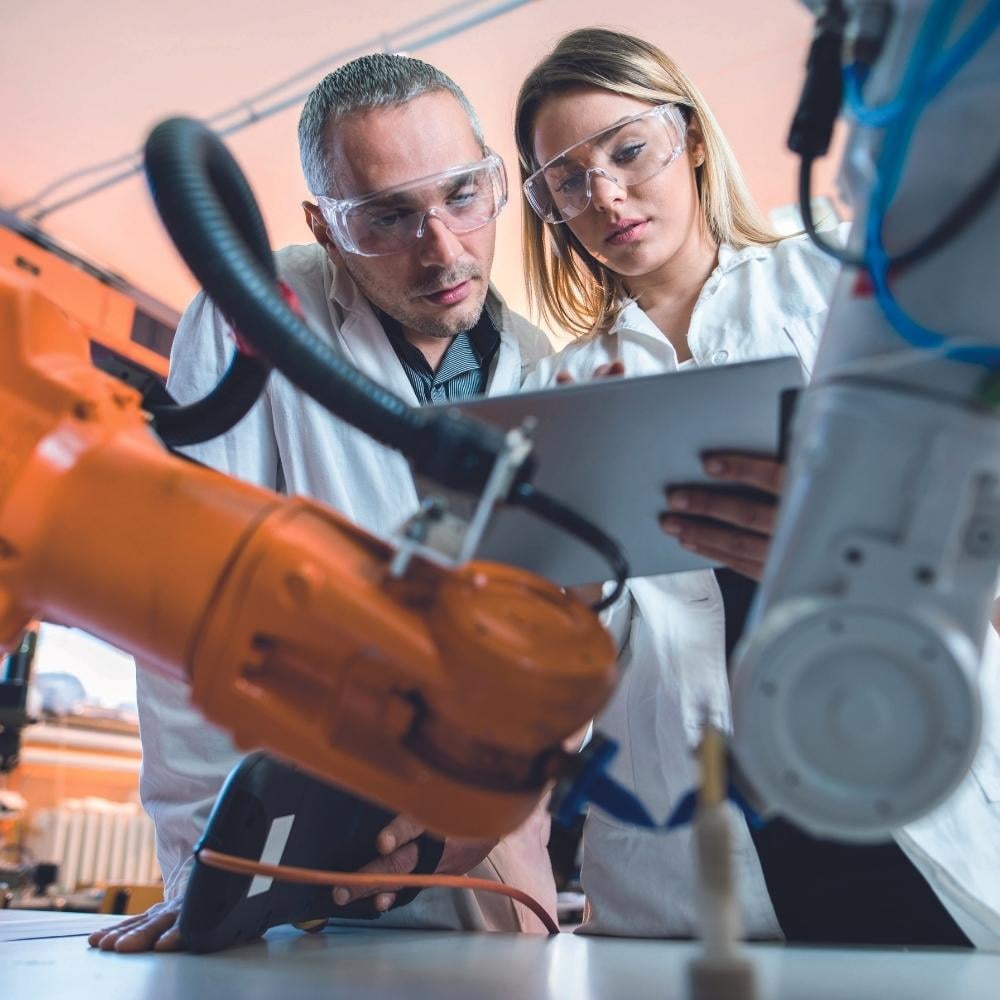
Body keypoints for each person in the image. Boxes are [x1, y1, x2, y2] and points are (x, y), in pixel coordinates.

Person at [515, 28, 1000, 947]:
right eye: (567, 182)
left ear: (691, 137)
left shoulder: (845, 282)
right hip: (685, 867)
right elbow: (562, 678)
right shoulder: (557, 393)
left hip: (907, 801)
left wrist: (853, 549)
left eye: (627, 150)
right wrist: (560, 605)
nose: (606, 195)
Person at [89, 52, 556, 954]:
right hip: (291, 855)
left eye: (463, 194)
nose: (445, 249)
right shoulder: (259, 307)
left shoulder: (537, 360)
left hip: (486, 851)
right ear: (325, 223)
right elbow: (186, 607)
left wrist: (479, 812)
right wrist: (206, 875)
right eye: (388, 215)